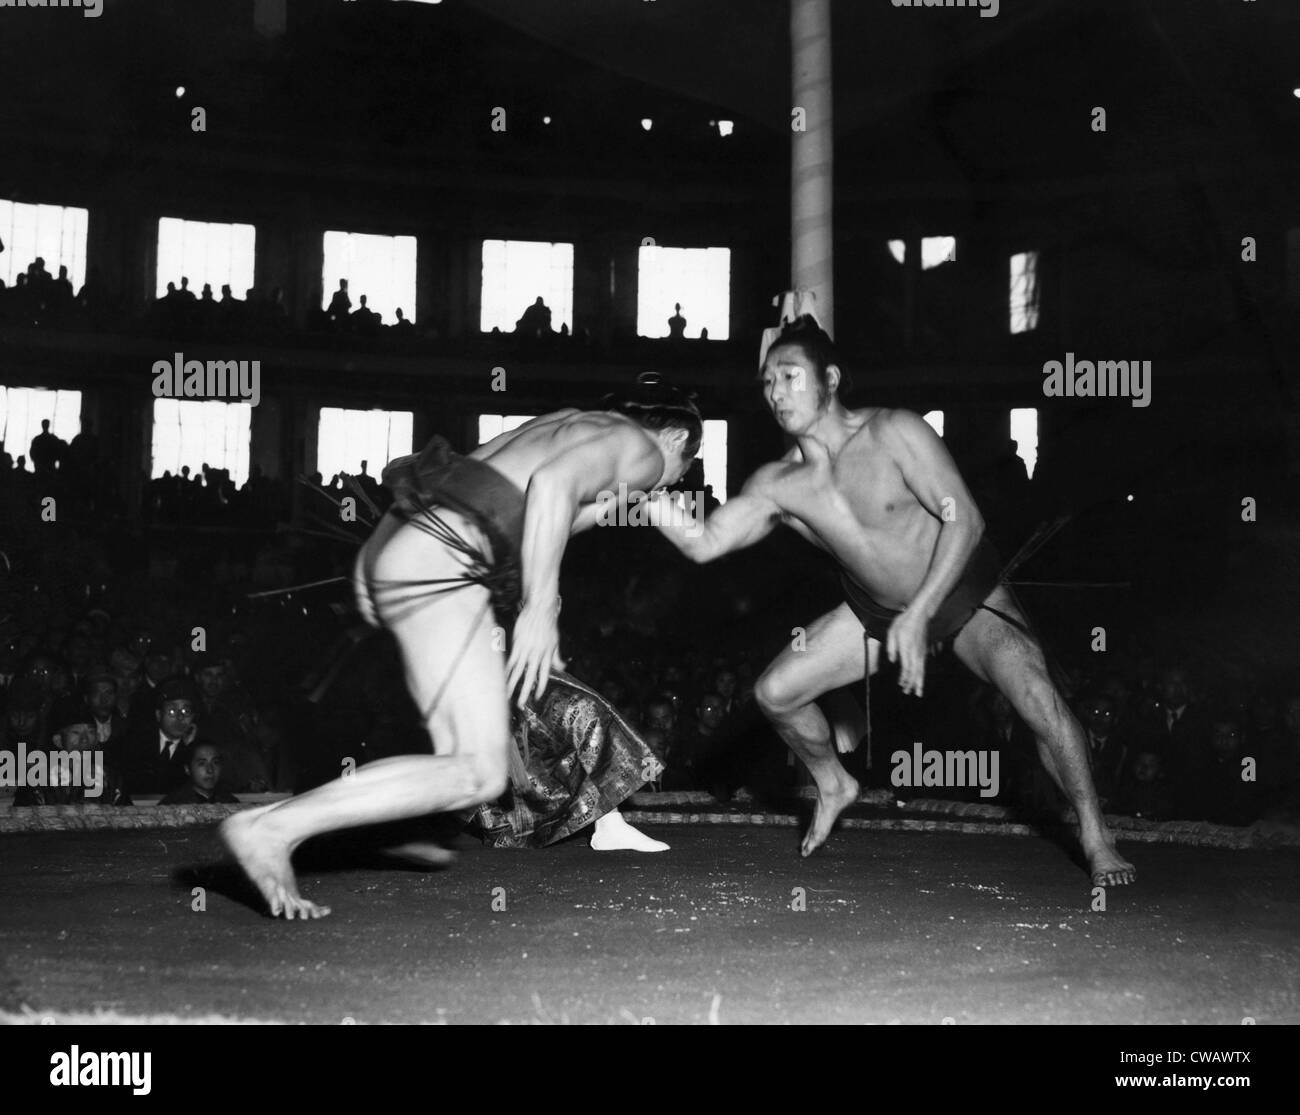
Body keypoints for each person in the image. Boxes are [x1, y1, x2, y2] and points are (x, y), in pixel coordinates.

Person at [651, 314, 1136, 887]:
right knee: (775, 693)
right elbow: (704, 543)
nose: (776, 393)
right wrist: (641, 483)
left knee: (1037, 696)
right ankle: (834, 782)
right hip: (875, 613)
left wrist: (922, 611)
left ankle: (1096, 835)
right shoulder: (778, 483)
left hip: (963, 594)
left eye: (788, 376)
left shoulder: (894, 432)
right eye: (768, 383)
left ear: (829, 379)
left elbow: (966, 519)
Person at [220, 374, 699, 918]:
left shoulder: (567, 424)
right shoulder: (642, 450)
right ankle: (271, 827)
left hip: (410, 549)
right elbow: (552, 490)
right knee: (478, 772)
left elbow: (503, 492)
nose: (672, 479)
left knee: (466, 770)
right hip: (445, 562)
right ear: (679, 440)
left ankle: (304, 827)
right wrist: (541, 609)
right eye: (683, 470)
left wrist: (376, 559)